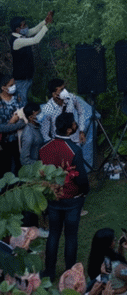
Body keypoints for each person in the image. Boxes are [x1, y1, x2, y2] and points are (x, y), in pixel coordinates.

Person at [39, 111, 90, 281]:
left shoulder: (44, 148)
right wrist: (84, 192)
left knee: (53, 234)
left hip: (53, 197)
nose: (76, 125)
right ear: (69, 130)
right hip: (72, 198)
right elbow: (81, 178)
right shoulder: (74, 150)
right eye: (74, 123)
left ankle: (49, 271)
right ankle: (69, 273)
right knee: (71, 236)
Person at [9, 10, 53, 105]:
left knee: (26, 102)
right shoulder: (17, 41)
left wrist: (45, 21)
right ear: (17, 29)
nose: (26, 26)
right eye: (24, 25)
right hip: (21, 80)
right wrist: (47, 26)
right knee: (22, 104)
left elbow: (34, 30)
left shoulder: (22, 35)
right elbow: (35, 40)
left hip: (27, 77)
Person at [40, 79, 88, 146]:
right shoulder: (48, 109)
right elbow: (44, 132)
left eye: (64, 88)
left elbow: (81, 112)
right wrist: (52, 144)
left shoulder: (71, 98)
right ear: (54, 93)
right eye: (61, 90)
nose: (65, 91)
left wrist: (81, 130)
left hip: (75, 139)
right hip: (59, 143)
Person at [0, 73, 25, 175]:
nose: (14, 87)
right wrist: (12, 123)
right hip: (4, 142)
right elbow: (1, 128)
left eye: (14, 84)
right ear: (3, 88)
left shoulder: (17, 97)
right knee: (6, 168)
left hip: (19, 140)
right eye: (11, 85)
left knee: (19, 167)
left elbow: (24, 115)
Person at [20, 101, 44, 166]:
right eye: (38, 113)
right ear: (30, 117)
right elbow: (24, 160)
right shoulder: (28, 134)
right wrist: (41, 164)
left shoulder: (39, 126)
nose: (41, 115)